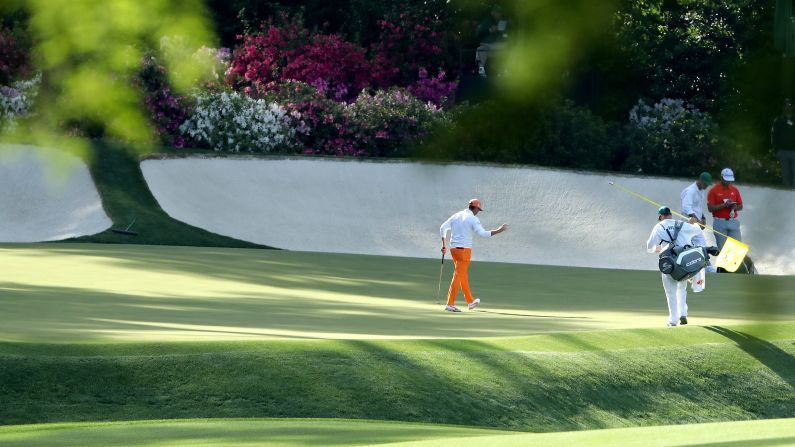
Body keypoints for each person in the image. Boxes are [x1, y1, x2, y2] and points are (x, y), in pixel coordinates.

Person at [439, 198, 508, 312]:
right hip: (464, 250)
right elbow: (483, 233)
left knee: (462, 275)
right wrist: (498, 230)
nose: (478, 212)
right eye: (479, 210)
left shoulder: (456, 215)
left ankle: (470, 301)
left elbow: (443, 228)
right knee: (458, 275)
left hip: (453, 249)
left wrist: (444, 245)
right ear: (475, 208)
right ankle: (450, 304)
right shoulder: (473, 219)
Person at [646, 206, 709, 327]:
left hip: (669, 263)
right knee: (681, 288)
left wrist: (658, 249)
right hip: (684, 262)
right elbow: (698, 230)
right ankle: (683, 314)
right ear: (670, 215)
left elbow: (650, 247)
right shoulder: (681, 224)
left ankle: (673, 320)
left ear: (660, 217)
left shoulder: (658, 227)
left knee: (671, 293)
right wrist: (692, 223)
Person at [707, 167, 743, 253]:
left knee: (737, 248)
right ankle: (724, 267)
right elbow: (710, 208)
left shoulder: (735, 190)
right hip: (719, 222)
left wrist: (734, 207)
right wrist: (724, 205)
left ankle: (735, 266)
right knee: (723, 250)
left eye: (730, 180)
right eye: (727, 180)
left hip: (733, 221)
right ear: (721, 177)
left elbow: (741, 206)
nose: (729, 182)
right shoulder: (714, 190)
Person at [475, 5, 509, 77]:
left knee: (507, 48)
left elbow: (506, 36)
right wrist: (490, 30)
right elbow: (478, 36)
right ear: (492, 13)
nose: (499, 14)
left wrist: (503, 34)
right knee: (480, 49)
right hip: (487, 45)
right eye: (497, 12)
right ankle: (481, 71)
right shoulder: (485, 22)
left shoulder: (503, 22)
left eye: (500, 13)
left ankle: (504, 70)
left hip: (498, 46)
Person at [771, 98, 795, 188]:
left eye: (790, 105)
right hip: (782, 152)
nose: (788, 108)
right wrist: (776, 150)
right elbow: (774, 136)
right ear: (783, 107)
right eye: (786, 105)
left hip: (794, 152)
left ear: (793, 107)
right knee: (785, 174)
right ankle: (787, 193)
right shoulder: (778, 121)